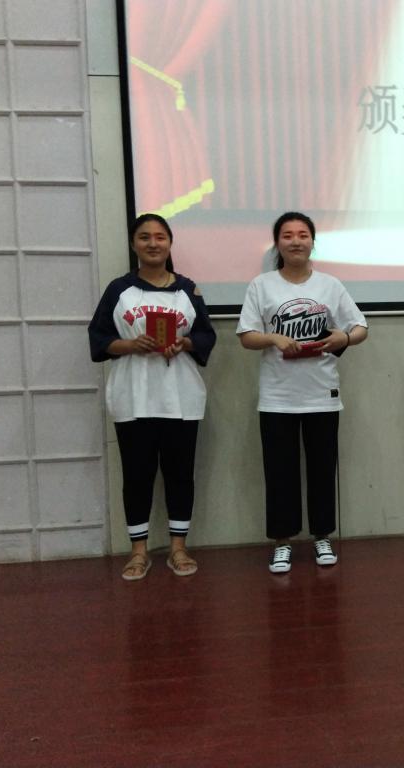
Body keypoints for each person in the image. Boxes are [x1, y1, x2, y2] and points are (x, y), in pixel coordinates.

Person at [237, 212, 368, 574]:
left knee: (323, 470)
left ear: (312, 241)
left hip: (322, 394)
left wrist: (343, 337)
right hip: (277, 397)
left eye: (303, 234)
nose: (296, 241)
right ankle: (282, 542)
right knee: (280, 473)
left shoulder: (330, 285)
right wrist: (273, 338)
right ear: (277, 243)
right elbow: (246, 336)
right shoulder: (261, 285)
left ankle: (322, 536)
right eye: (288, 235)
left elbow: (360, 328)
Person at [88, 213, 217, 579]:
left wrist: (185, 343)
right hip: (133, 397)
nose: (153, 243)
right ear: (134, 244)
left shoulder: (188, 290)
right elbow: (98, 338)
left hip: (181, 397)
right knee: (137, 475)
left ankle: (178, 548)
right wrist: (130, 344)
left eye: (160, 237)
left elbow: (206, 335)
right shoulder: (119, 290)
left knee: (180, 474)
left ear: (170, 243)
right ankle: (138, 551)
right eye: (144, 237)